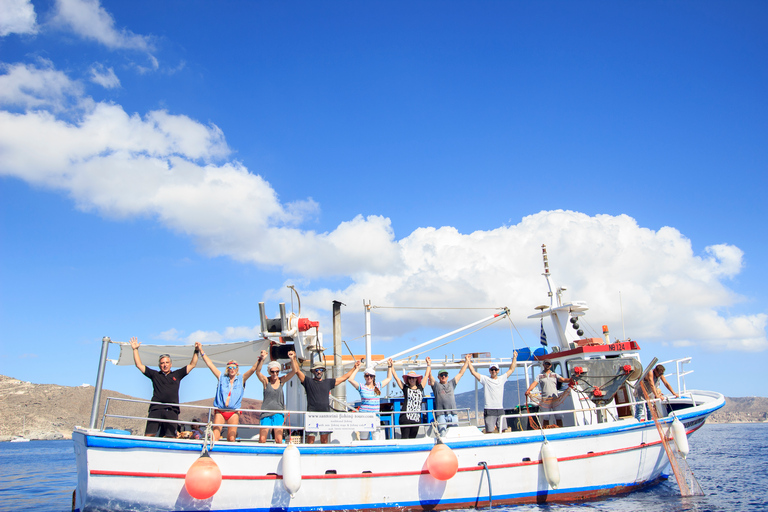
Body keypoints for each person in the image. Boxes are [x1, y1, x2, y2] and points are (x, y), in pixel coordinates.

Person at [129, 337, 198, 438]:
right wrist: (135, 349)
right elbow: (139, 365)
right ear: (159, 365)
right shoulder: (155, 375)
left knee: (171, 436)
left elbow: (192, 364)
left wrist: (196, 351)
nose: (164, 365)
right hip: (156, 408)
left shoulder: (177, 374)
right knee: (149, 434)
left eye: (166, 363)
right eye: (162, 363)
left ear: (170, 364)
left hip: (172, 409)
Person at [197, 342, 260, 442]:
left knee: (231, 438)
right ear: (227, 369)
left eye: (234, 367)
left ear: (237, 369)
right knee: (215, 437)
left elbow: (253, 369)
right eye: (229, 367)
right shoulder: (222, 377)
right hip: (221, 411)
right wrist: (201, 351)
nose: (232, 369)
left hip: (233, 412)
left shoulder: (241, 379)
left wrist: (260, 359)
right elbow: (210, 365)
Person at [294, 358, 361, 444]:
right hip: (312, 416)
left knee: (324, 441)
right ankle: (309, 457)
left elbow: (343, 378)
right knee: (310, 441)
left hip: (325, 415)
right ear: (313, 371)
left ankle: (323, 456)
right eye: (317, 370)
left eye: (321, 370)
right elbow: (297, 371)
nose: (319, 372)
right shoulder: (308, 381)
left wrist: (354, 368)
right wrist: (293, 358)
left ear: (323, 371)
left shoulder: (327, 382)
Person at [469, 352, 518, 433]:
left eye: (495, 369)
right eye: (492, 369)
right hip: (489, 409)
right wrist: (468, 361)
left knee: (503, 430)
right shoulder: (485, 379)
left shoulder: (502, 379)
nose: (494, 371)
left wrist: (514, 357)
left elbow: (511, 369)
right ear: (489, 370)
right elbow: (473, 372)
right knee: (489, 431)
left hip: (500, 409)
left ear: (498, 370)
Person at [255, 350, 297, 443]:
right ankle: (261, 455)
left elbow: (294, 371)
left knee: (278, 439)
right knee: (262, 439)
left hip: (278, 412)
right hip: (266, 412)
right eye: (273, 371)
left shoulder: (281, 380)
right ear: (269, 372)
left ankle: (278, 455)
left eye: (277, 372)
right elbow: (257, 372)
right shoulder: (266, 381)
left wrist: (292, 359)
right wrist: (262, 359)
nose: (275, 374)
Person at [427, 354, 470, 436]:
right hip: (441, 415)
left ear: (447, 376)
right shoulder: (436, 386)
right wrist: (429, 364)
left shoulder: (452, 383)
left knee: (455, 435)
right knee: (443, 434)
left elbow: (461, 373)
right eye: (441, 375)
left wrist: (466, 361)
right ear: (438, 377)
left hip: (453, 414)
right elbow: (430, 376)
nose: (443, 376)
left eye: (445, 375)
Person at [348, 363, 393, 440]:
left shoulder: (378, 386)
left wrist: (389, 366)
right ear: (364, 377)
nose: (369, 377)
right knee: (363, 438)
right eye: (367, 375)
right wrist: (357, 369)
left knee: (376, 438)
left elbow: (389, 378)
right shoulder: (361, 387)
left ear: (373, 377)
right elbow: (350, 379)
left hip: (375, 416)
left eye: (371, 376)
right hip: (364, 416)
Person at [391, 359, 431, 439]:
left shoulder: (420, 387)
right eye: (410, 378)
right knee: (405, 439)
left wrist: (428, 364)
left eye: (413, 378)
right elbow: (397, 378)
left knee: (413, 439)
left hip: (416, 419)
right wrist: (391, 366)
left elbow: (426, 375)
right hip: (405, 418)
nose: (411, 380)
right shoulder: (405, 388)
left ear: (416, 379)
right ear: (408, 380)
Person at [525, 360, 570, 427]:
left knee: (558, 416)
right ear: (543, 365)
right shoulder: (540, 376)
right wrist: (528, 390)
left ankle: (561, 429)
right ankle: (546, 431)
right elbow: (534, 383)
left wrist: (571, 380)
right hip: (545, 399)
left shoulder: (555, 375)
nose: (547, 365)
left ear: (551, 365)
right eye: (546, 364)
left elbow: (563, 380)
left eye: (549, 364)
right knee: (546, 417)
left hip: (555, 399)